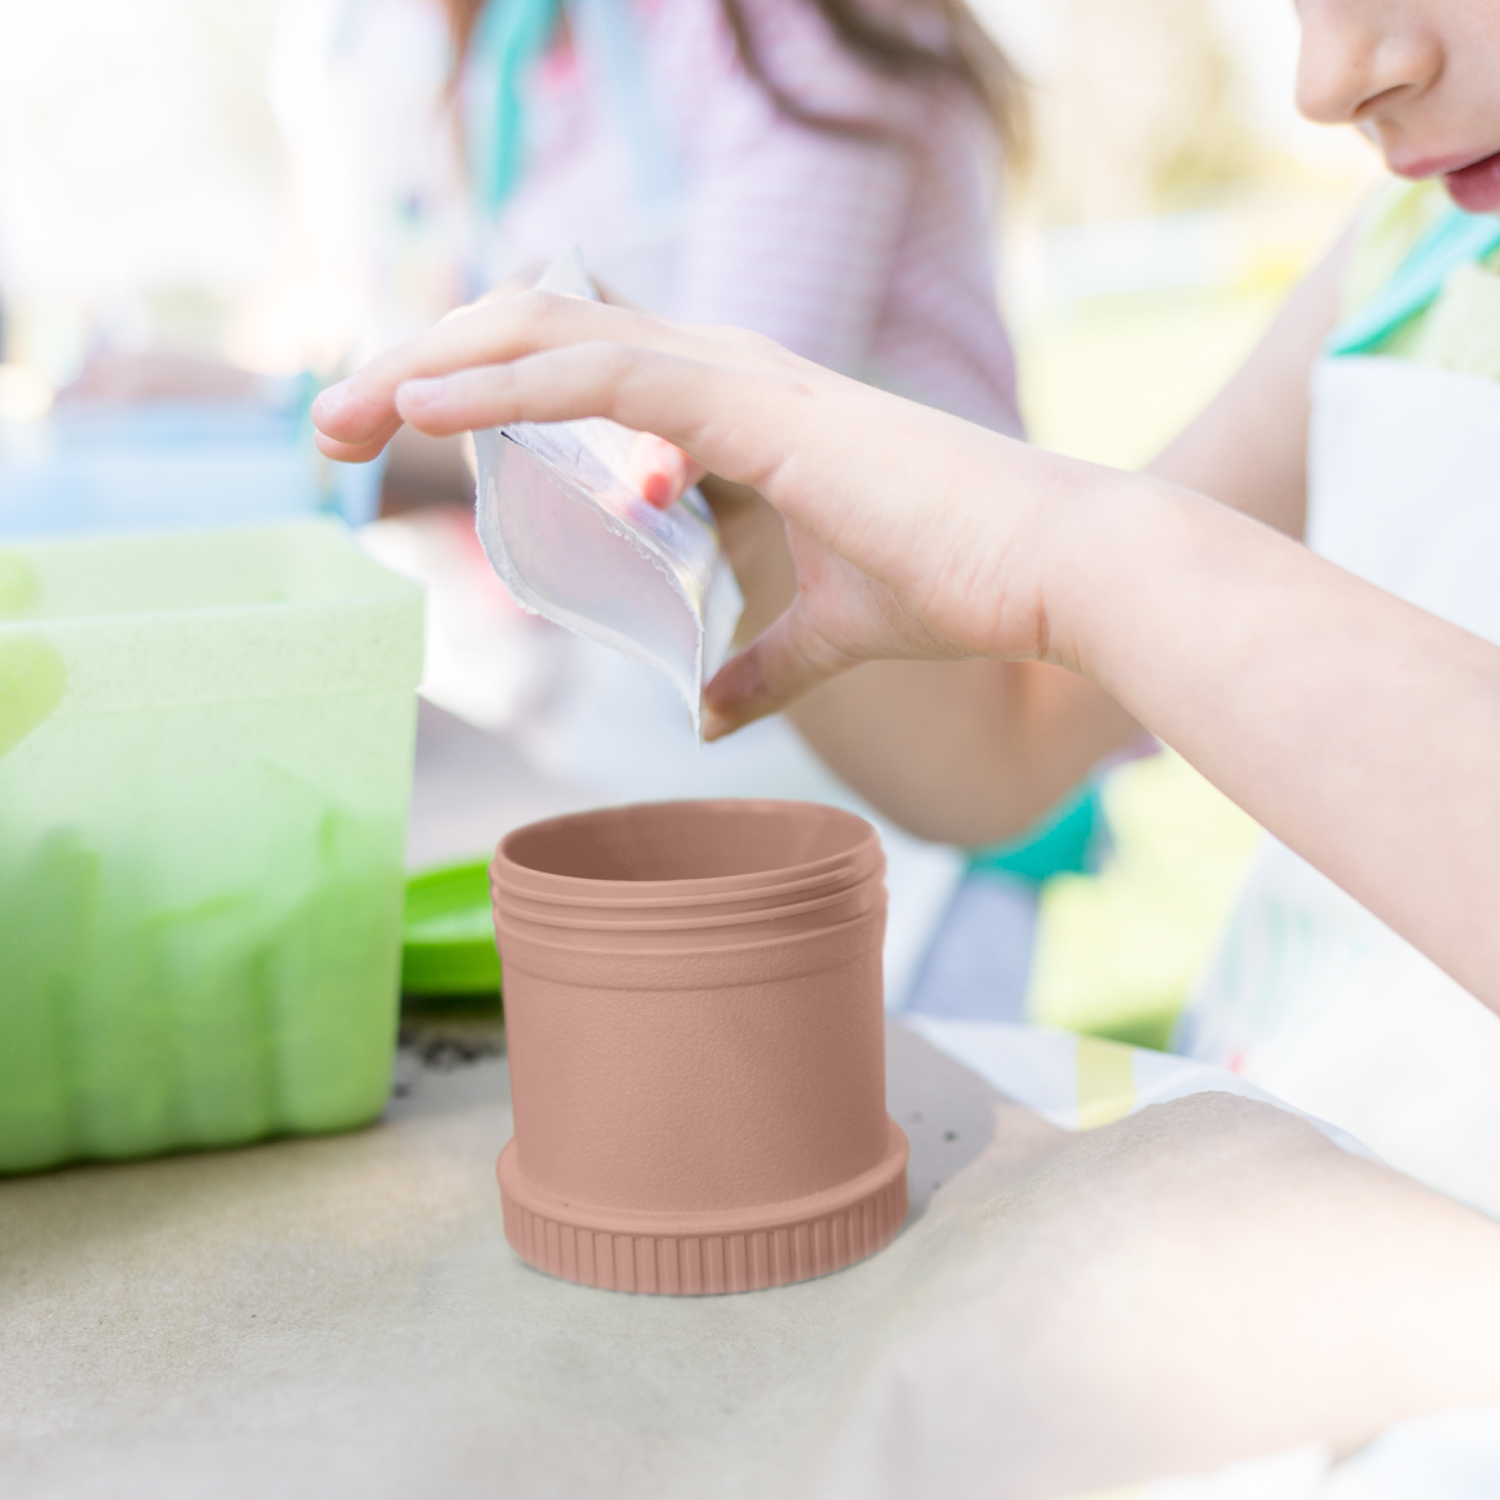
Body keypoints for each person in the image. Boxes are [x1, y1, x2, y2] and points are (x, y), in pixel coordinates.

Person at [314, 0, 1500, 1224]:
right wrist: (744, 500)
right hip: (1297, 1202)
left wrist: (1081, 554)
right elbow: (1006, 751)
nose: (1329, 76)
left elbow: (1086, 585)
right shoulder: (1409, 252)